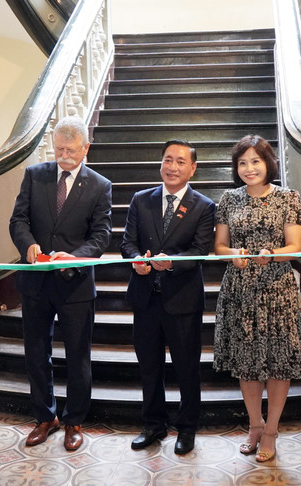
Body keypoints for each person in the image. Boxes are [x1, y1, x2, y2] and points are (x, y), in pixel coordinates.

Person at [9, 116, 112, 451]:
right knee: (36, 353)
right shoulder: (34, 175)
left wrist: (77, 256)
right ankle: (46, 417)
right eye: (59, 149)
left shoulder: (99, 185)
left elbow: (101, 236)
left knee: (77, 356)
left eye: (71, 149)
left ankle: (74, 421)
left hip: (75, 285)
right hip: (36, 282)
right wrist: (28, 247)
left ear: (85, 148)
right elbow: (18, 219)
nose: (64, 155)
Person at [212, 135, 301, 462]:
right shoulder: (228, 199)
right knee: (246, 363)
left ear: (268, 163)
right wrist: (232, 255)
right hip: (239, 291)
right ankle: (255, 425)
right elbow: (220, 246)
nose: (249, 168)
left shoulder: (288, 197)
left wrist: (273, 253)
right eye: (242, 162)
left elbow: (295, 247)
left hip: (276, 290)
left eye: (256, 161)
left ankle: (271, 431)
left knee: (278, 363)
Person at [121, 140, 216, 455]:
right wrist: (135, 259)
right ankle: (153, 425)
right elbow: (127, 243)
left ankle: (187, 428)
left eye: (180, 161)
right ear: (160, 163)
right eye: (167, 160)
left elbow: (200, 251)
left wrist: (172, 262)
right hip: (145, 298)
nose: (172, 167)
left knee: (186, 368)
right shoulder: (141, 200)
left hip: (182, 300)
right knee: (149, 367)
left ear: (192, 168)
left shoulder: (203, 206)